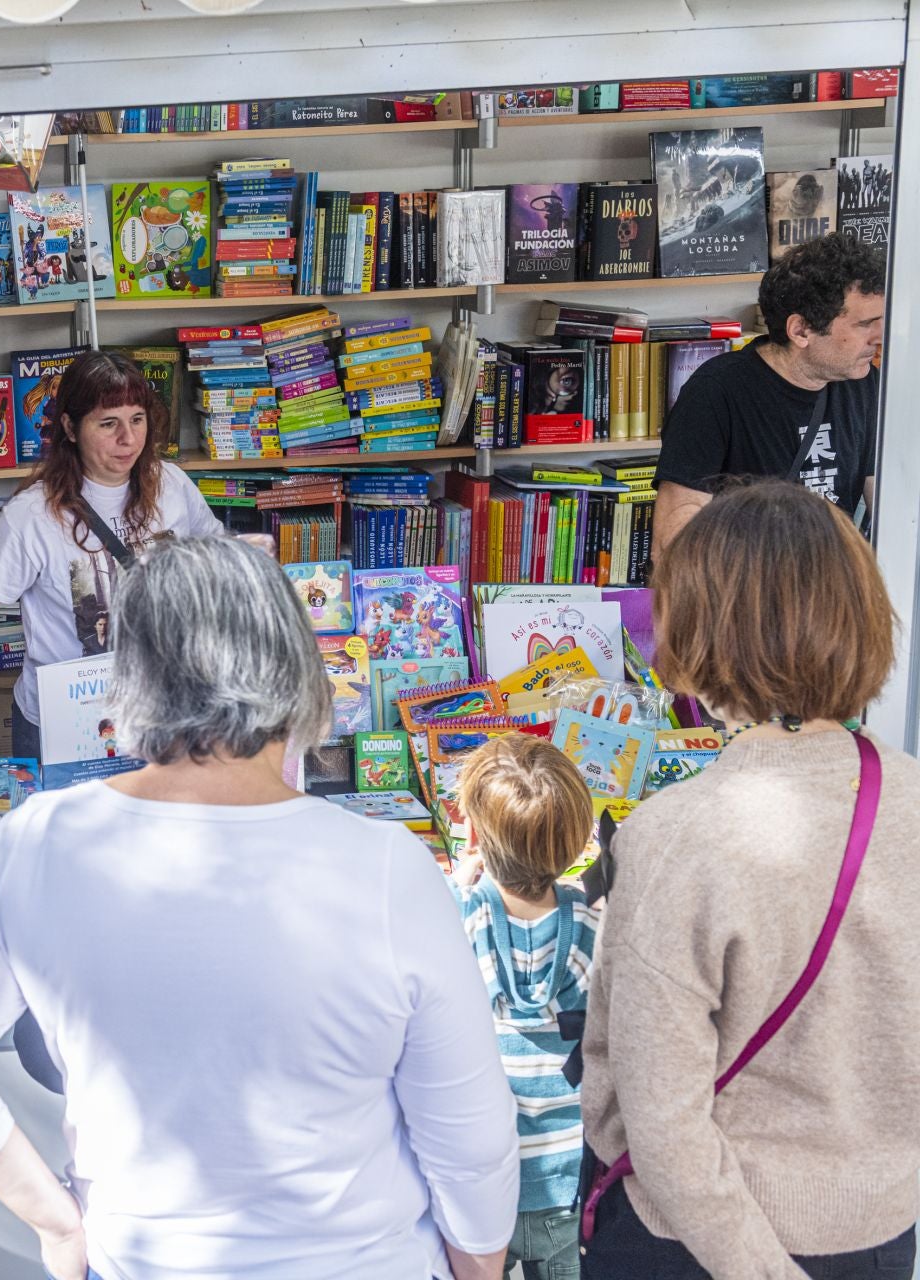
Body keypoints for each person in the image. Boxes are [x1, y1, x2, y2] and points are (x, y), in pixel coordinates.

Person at [0, 536, 519, 1280]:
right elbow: (469, 1142)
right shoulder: (388, 868)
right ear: (297, 661)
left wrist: (56, 1222)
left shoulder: (39, 843)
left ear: (131, 674)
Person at [581, 479, 920, 1278]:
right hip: (878, 1229)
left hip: (700, 1246)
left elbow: (663, 1123)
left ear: (706, 627)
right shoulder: (910, 798)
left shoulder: (677, 836)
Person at [0, 350, 222, 759]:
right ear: (71, 427)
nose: (128, 439)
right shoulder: (32, 513)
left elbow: (218, 558)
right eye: (108, 423)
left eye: (137, 419)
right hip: (66, 724)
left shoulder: (171, 484)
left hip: (163, 712)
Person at [448, 735, 600, 1280]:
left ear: (472, 834)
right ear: (579, 839)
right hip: (566, 1181)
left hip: (485, 1184)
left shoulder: (454, 921)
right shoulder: (591, 930)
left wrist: (458, 883)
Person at [653, 232, 884, 554]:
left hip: (832, 590)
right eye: (866, 324)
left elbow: (889, 504)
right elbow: (673, 540)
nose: (879, 336)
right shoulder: (716, 391)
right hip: (750, 593)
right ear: (800, 331)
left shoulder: (865, 384)